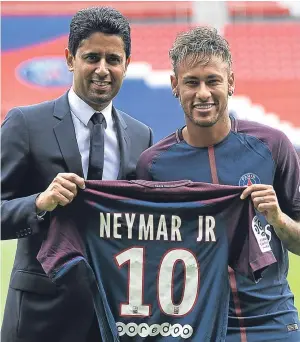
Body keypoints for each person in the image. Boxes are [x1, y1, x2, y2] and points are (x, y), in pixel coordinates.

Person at [136, 26, 300, 341]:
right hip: (195, 325)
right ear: (174, 85)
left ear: (231, 82)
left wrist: (278, 220)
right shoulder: (153, 165)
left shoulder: (273, 146)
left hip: (273, 320)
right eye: (191, 82)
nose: (203, 93)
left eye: (213, 80)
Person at [1, 6, 152, 342]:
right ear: (70, 59)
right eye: (91, 57)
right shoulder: (25, 124)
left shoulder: (142, 136)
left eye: (113, 59)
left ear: (126, 63)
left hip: (113, 316)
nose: (102, 69)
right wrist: (40, 202)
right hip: (39, 319)